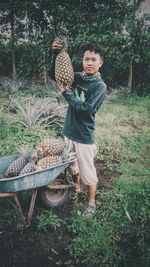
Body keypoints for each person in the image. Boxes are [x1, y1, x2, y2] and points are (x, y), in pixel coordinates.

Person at [49, 40, 107, 217]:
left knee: (88, 171)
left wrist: (66, 93)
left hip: (84, 136)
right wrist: (55, 54)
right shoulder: (78, 78)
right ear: (82, 60)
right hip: (69, 131)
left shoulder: (99, 87)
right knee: (72, 165)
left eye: (93, 60)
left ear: (100, 63)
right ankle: (76, 184)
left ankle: (91, 202)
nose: (89, 63)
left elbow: (85, 110)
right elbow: (55, 75)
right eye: (86, 59)